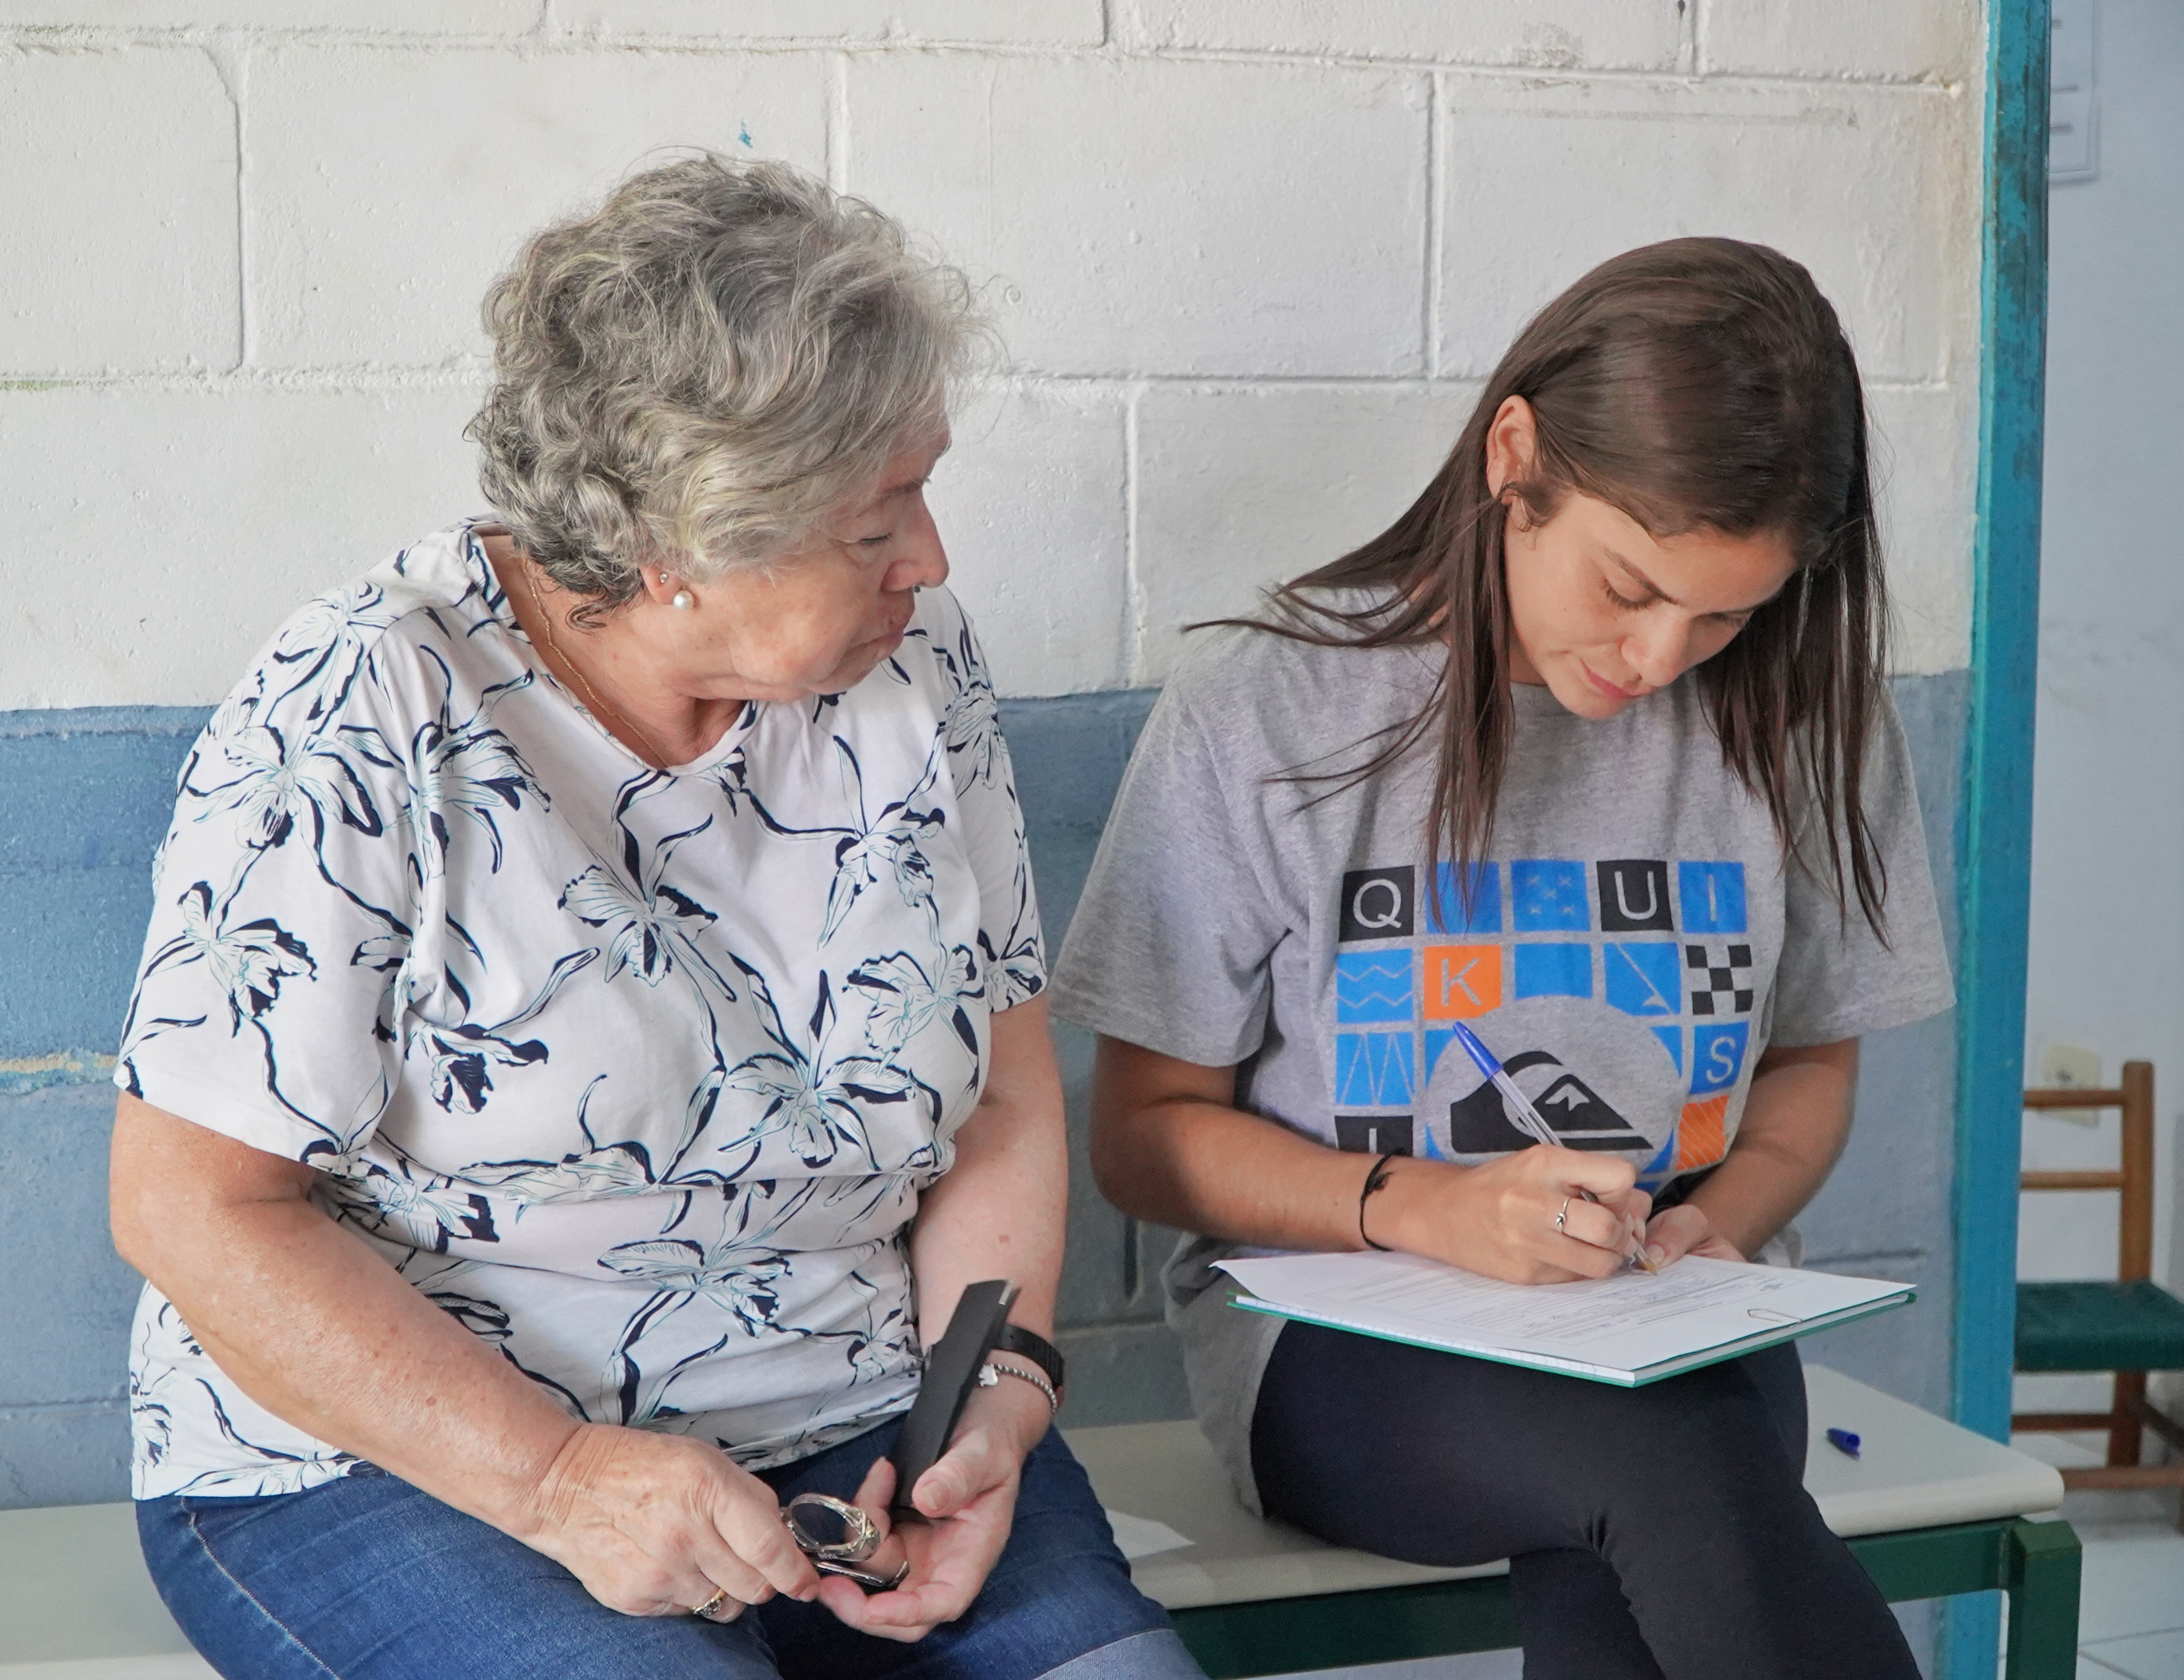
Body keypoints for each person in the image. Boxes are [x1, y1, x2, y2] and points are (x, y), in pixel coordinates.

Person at [109, 154, 1201, 1680]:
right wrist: (557, 1480)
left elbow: (1002, 1093)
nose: (931, 557)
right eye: (877, 519)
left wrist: (995, 1397)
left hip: (854, 1426)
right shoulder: (368, 702)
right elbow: (193, 1210)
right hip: (409, 1462)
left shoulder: (914, 670)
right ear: (682, 543)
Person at [1049, 238, 1953, 1679]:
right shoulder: (1269, 709)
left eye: (1724, 613)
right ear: (1514, 457)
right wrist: (1422, 1207)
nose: (1661, 657)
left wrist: (1717, 1224)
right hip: (1342, 1340)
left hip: (1675, 1319)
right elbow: (1141, 1139)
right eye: (1627, 586)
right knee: (1669, 1463)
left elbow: (1805, 1070)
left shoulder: (1794, 712)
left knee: (1658, 1482)